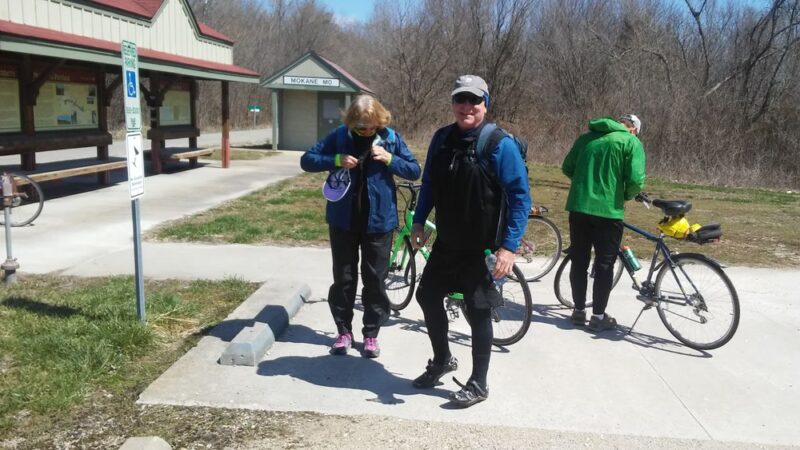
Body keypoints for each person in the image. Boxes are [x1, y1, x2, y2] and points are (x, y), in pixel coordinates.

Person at [410, 75, 531, 407]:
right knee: (427, 295)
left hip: (482, 248)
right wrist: (419, 220)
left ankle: (479, 384)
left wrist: (509, 247)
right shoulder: (442, 139)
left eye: (474, 101)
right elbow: (430, 183)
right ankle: (442, 360)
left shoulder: (498, 145)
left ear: (485, 104)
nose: (466, 106)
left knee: (477, 312)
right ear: (452, 103)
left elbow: (520, 197)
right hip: (447, 242)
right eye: (460, 100)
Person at [300, 95, 420, 358]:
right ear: (351, 122)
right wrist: (335, 160)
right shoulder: (340, 137)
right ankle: (343, 332)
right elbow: (307, 160)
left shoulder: (390, 138)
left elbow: (414, 170)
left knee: (375, 281)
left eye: (371, 126)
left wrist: (390, 159)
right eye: (361, 127)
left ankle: (371, 335)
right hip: (344, 221)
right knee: (344, 280)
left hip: (379, 222)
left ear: (380, 120)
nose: (366, 131)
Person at [561, 114, 646, 331]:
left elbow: (567, 167)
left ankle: (578, 311)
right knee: (604, 265)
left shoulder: (586, 138)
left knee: (579, 260)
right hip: (608, 212)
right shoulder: (630, 142)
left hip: (579, 207)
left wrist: (585, 183)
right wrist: (623, 194)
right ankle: (598, 317)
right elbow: (636, 180)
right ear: (633, 129)